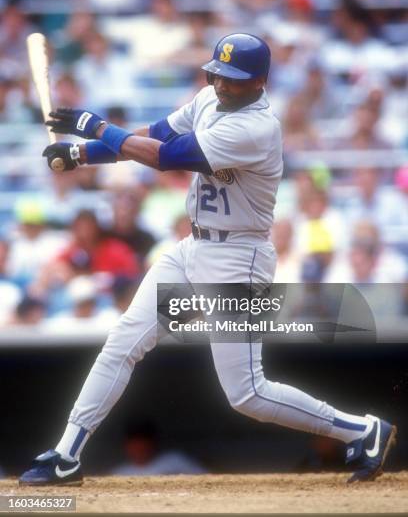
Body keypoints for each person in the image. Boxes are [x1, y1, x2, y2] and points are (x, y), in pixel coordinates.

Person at [19, 33, 396, 487]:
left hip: (240, 258)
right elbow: (155, 135)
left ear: (259, 81)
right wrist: (81, 154)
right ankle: (67, 454)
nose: (220, 84)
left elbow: (166, 157)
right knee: (123, 342)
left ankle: (361, 428)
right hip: (191, 249)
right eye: (217, 73)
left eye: (232, 79)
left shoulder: (258, 127)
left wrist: (96, 127)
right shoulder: (206, 99)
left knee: (247, 394)